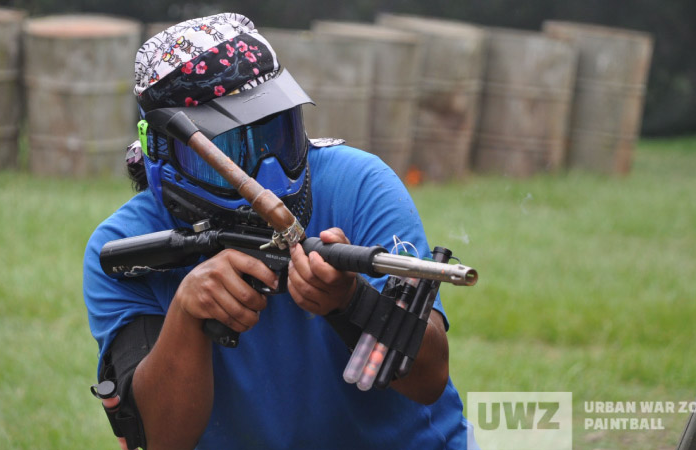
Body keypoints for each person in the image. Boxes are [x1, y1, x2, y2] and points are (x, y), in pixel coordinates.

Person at [83, 13, 477, 450]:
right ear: (164, 151)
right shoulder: (122, 249)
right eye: (229, 149)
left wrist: (351, 302)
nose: (266, 176)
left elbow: (428, 378)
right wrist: (186, 315)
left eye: (277, 134)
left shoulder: (360, 185)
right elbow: (161, 440)